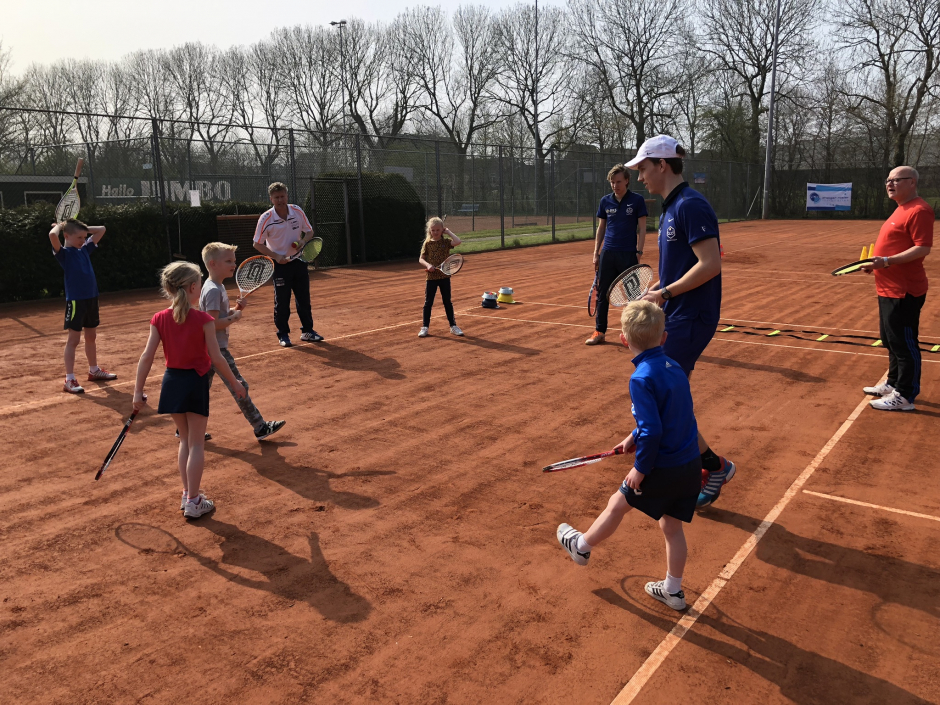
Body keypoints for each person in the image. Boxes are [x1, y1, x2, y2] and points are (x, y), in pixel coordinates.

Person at [557, 301, 701, 610]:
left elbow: (653, 431)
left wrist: (640, 468)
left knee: (617, 504)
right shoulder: (675, 367)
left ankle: (581, 546)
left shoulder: (641, 378)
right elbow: (672, 416)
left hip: (661, 467)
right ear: (664, 338)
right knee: (672, 528)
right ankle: (673, 590)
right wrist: (632, 437)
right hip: (689, 464)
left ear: (624, 339)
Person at [628, 135, 736, 509]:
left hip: (692, 316)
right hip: (678, 312)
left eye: (643, 168)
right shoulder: (671, 208)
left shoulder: (691, 205)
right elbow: (680, 267)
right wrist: (656, 288)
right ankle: (711, 465)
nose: (640, 176)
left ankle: (712, 467)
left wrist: (665, 293)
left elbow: (711, 264)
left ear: (662, 165)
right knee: (670, 396)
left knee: (664, 394)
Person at [132, 262, 246, 519]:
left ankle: (188, 494)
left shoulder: (159, 318)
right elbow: (217, 358)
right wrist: (235, 382)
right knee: (196, 444)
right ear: (193, 287)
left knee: (185, 441)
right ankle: (194, 501)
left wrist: (137, 391)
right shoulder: (204, 320)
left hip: (171, 382)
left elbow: (147, 356)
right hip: (195, 382)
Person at [860, 166, 934, 411]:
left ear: (912, 182)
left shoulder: (919, 210)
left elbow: (922, 248)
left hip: (904, 290)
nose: (890, 184)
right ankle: (893, 382)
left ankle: (905, 395)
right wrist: (877, 264)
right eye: (888, 180)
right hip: (887, 287)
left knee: (904, 343)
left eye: (896, 180)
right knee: (890, 340)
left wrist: (886, 261)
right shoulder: (901, 208)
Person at [200, 242, 286, 440]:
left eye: (234, 261)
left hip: (208, 349)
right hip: (216, 350)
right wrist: (234, 318)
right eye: (228, 261)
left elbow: (218, 316)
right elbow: (211, 323)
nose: (234, 265)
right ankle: (260, 426)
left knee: (200, 390)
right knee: (239, 385)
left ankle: (185, 428)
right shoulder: (213, 290)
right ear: (213, 264)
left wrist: (237, 309)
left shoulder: (215, 286)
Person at [49, 218, 118, 394]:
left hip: (91, 298)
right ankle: (69, 379)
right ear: (66, 236)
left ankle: (94, 370)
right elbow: (52, 235)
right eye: (79, 237)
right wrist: (60, 226)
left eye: (84, 236)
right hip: (76, 301)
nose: (83, 240)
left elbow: (101, 229)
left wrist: (82, 229)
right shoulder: (63, 254)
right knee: (74, 340)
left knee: (91, 336)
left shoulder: (85, 249)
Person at [252, 182, 322, 348]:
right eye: (276, 197)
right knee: (282, 302)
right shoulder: (266, 218)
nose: (280, 200)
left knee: (304, 299)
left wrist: (303, 241)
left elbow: (309, 231)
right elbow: (257, 243)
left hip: (299, 261)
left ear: (287, 196)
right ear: (271, 199)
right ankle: (283, 334)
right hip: (280, 266)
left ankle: (308, 331)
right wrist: (276, 256)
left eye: (282, 196)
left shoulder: (297, 211)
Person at [586, 164, 648, 345]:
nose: (615, 185)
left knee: (633, 296)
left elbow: (642, 229)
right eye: (612, 182)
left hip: (628, 254)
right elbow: (601, 228)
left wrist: (639, 252)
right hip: (607, 254)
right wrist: (596, 253)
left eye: (619, 182)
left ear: (627, 181)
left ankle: (632, 335)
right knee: (602, 295)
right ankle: (599, 331)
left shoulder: (637, 200)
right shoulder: (605, 201)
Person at [417, 217, 463, 338]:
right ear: (430, 231)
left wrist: (448, 232)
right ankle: (425, 327)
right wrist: (428, 265)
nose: (435, 232)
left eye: (438, 230)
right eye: (433, 230)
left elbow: (458, 241)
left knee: (447, 302)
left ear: (442, 230)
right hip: (431, 278)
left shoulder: (446, 242)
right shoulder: (427, 243)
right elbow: (421, 259)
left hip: (444, 277)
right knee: (428, 302)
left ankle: (453, 326)